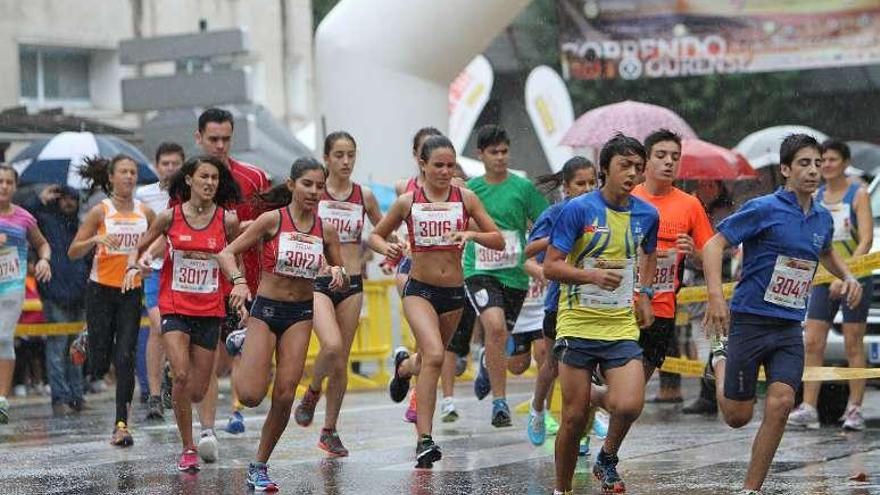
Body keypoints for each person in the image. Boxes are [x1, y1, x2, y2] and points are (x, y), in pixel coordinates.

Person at [702, 134, 862, 494]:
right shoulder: (764, 208)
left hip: (789, 326)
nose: (813, 171)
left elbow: (825, 252)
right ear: (786, 170)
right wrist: (715, 297)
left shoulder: (821, 217)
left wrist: (848, 275)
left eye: (818, 164)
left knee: (782, 402)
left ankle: (751, 489)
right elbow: (714, 245)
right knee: (737, 417)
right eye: (804, 164)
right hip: (750, 320)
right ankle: (719, 357)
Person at [370, 135, 503, 468]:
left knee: (428, 360)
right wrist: (386, 248)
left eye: (450, 165)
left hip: (453, 294)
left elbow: (498, 239)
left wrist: (470, 234)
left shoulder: (466, 198)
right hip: (420, 289)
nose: (445, 171)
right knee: (433, 354)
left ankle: (402, 368)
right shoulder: (407, 201)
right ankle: (425, 441)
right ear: (423, 165)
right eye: (438, 165)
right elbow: (375, 234)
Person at [217, 157, 347, 491]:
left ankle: (259, 465)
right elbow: (226, 253)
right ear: (291, 185)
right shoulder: (272, 220)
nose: (314, 192)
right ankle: (245, 341)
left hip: (300, 314)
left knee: (286, 394)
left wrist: (336, 274)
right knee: (249, 396)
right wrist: (239, 282)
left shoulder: (326, 230)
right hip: (266, 311)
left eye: (320, 186)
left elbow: (342, 274)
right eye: (307, 184)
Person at [543, 134, 658, 495]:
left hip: (620, 324)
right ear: (603, 169)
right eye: (625, 166)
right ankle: (562, 489)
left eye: (638, 168)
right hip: (577, 321)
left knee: (629, 404)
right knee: (574, 418)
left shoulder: (646, 214)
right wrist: (590, 275)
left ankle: (605, 452)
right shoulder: (577, 210)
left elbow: (650, 254)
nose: (632, 174)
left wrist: (644, 293)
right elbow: (550, 267)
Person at [125, 155, 242, 471]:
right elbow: (141, 246)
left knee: (198, 389)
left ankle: (180, 391)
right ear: (189, 180)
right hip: (175, 306)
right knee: (181, 374)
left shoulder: (226, 221)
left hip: (210, 309)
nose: (210, 183)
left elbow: (236, 257)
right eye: (204, 177)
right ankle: (188, 447)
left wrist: (240, 289)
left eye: (215, 179)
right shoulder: (169, 218)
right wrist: (138, 264)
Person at [292, 132, 383, 456]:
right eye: (339, 155)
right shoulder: (315, 192)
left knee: (341, 361)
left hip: (352, 282)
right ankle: (313, 392)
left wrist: (389, 251)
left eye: (351, 155)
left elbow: (380, 231)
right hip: (318, 280)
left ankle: (329, 430)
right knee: (330, 346)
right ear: (327, 157)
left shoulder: (364, 196)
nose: (346, 161)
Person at [194, 107, 271, 459]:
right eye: (213, 139)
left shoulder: (254, 177)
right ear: (199, 139)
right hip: (202, 284)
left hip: (249, 283)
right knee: (207, 362)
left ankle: (239, 407)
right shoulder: (187, 181)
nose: (220, 145)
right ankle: (207, 430)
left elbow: (271, 227)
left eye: (226, 139)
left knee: (247, 369)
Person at [465, 124, 548, 427]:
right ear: (481, 154)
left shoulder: (522, 188)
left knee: (512, 356)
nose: (500, 157)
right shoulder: (471, 189)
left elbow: (545, 223)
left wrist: (532, 251)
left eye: (504, 151)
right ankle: (500, 404)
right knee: (495, 327)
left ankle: (489, 361)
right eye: (493, 152)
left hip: (515, 275)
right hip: (480, 271)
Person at [787, 139, 873, 431]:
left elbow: (866, 239)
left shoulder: (858, 193)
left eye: (832, 159)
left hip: (855, 277)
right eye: (821, 160)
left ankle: (855, 408)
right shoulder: (818, 195)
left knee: (852, 341)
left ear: (845, 163)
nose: (825, 165)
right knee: (812, 341)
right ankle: (809, 406)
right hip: (823, 279)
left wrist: (846, 275)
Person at [69, 155, 155, 446]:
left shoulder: (146, 212)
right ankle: (88, 337)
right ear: (111, 179)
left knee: (125, 357)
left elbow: (160, 242)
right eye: (123, 172)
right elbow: (73, 251)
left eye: (133, 172)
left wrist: (148, 261)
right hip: (99, 291)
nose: (130, 177)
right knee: (99, 365)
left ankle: (121, 425)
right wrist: (95, 241)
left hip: (130, 291)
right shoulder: (100, 212)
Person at [630, 129, 714, 403]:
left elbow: (711, 254)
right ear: (645, 160)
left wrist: (695, 252)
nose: (669, 162)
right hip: (621, 306)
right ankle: (594, 433)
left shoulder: (690, 205)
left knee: (632, 393)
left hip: (663, 309)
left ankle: (608, 444)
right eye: (661, 155)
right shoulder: (628, 198)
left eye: (675, 157)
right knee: (618, 386)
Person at [522, 156, 596, 447]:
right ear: (566, 187)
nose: (587, 188)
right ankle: (537, 407)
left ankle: (583, 433)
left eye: (592, 183)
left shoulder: (606, 212)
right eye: (580, 183)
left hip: (596, 302)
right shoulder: (555, 214)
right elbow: (529, 250)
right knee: (554, 367)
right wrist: (559, 235)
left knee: (591, 369)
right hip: (560, 303)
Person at [25, 184, 88, 416]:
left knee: (77, 350)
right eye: (64, 198)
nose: (69, 202)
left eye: (73, 198)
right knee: (57, 349)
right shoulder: (45, 220)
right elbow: (23, 216)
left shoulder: (81, 225)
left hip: (79, 295)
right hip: (54, 294)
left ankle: (77, 396)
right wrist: (40, 199)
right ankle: (60, 398)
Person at [135, 142, 184, 420]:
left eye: (175, 163)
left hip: (183, 270)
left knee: (165, 332)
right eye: (165, 163)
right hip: (153, 269)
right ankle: (157, 388)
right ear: (156, 166)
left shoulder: (190, 194)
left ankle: (159, 391)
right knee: (160, 326)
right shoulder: (144, 195)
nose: (170, 168)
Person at [0, 165, 51, 424]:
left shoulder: (24, 217)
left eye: (9, 182)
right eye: (0, 181)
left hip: (11, 285)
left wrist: (44, 260)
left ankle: (1, 400)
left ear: (15, 187)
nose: (4, 186)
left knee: (3, 336)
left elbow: (42, 244)